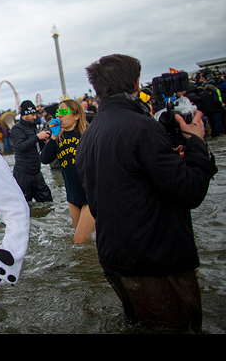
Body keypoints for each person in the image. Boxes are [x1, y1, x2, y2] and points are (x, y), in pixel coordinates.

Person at [75, 54, 218, 333]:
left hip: (116, 259)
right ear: (136, 82)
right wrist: (197, 143)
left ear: (97, 89)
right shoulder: (141, 127)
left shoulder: (89, 135)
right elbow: (191, 191)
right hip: (155, 262)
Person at [40, 97, 95, 244]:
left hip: (91, 195)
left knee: (79, 241)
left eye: (64, 111)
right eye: (58, 112)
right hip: (72, 195)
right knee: (85, 244)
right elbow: (44, 159)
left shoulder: (87, 135)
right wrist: (54, 136)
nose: (59, 115)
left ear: (77, 116)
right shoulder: (59, 137)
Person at [10, 100, 53, 203]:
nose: (35, 117)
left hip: (36, 172)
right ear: (25, 114)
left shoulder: (32, 127)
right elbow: (20, 146)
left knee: (47, 202)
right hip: (23, 174)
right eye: (33, 114)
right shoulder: (16, 129)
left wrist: (44, 141)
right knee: (24, 204)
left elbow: (35, 145)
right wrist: (37, 137)